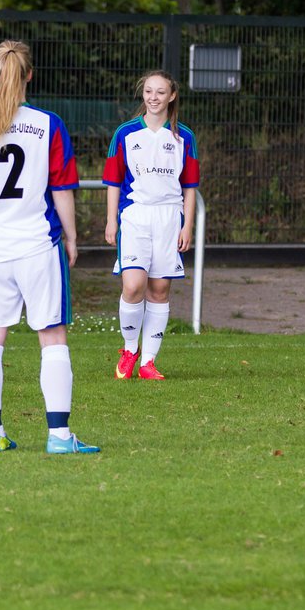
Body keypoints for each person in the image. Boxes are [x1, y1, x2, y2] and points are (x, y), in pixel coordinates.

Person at [0, 39, 99, 454]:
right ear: (30, 74)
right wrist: (71, 236)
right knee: (52, 337)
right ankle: (60, 437)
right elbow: (63, 190)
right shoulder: (49, 124)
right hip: (37, 244)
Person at [103, 70, 200, 380]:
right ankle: (130, 349)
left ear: (171, 96)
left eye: (160, 92)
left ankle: (149, 362)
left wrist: (188, 226)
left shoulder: (184, 136)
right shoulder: (125, 133)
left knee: (159, 291)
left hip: (170, 217)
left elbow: (190, 186)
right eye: (148, 91)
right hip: (135, 215)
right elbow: (113, 181)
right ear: (142, 94)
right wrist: (110, 221)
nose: (153, 97)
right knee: (133, 286)